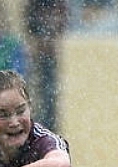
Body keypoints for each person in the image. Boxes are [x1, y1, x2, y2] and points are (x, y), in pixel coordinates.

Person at [24, 0, 68, 131]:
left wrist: (53, 44)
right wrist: (39, 45)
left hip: (55, 59)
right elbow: (29, 33)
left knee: (50, 99)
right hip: (39, 58)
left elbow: (64, 30)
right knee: (39, 96)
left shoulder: (59, 4)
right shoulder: (34, 5)